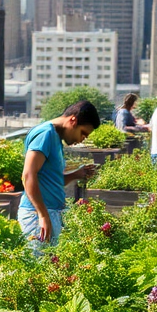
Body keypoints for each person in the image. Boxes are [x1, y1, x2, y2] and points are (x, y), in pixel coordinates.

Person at [18, 100, 101, 250]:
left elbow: (50, 180)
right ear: (73, 120)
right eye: (83, 133)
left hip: (48, 212)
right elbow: (28, 175)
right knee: (39, 267)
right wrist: (43, 215)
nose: (83, 139)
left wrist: (76, 174)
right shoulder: (46, 134)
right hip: (37, 215)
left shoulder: (55, 137)